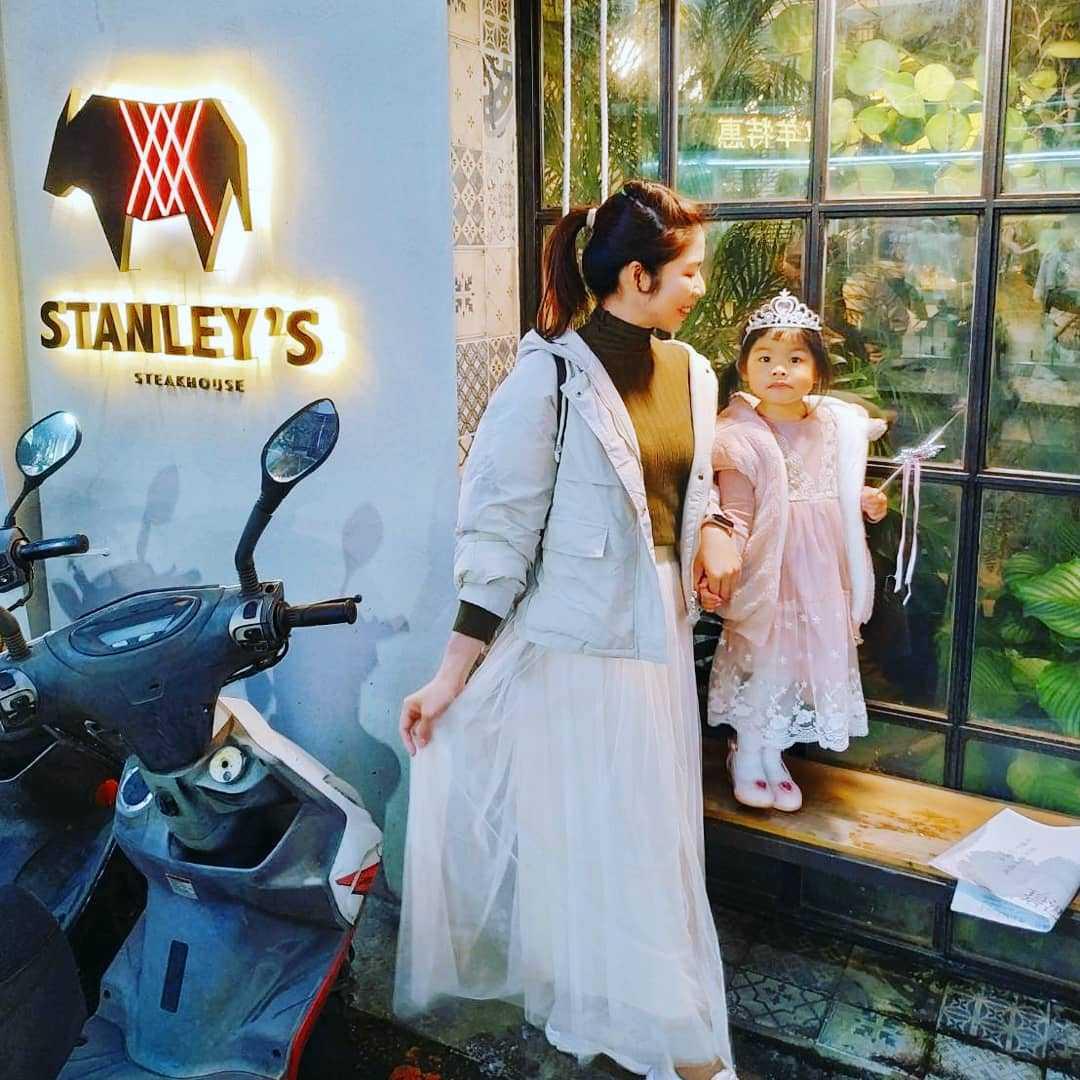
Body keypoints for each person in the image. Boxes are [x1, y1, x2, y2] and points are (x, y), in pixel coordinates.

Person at [395, 180, 740, 1080]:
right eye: (690, 271)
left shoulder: (695, 373)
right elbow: (498, 534)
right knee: (604, 839)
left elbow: (696, 488)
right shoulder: (547, 380)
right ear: (638, 275)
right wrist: (451, 673)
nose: (701, 287)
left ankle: (621, 1007)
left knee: (653, 835)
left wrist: (717, 530)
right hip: (580, 653)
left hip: (660, 636)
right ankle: (663, 1028)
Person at [705, 291, 889, 812]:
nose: (779, 370)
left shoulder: (833, 426)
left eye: (795, 359)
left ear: (818, 370)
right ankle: (747, 751)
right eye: (765, 358)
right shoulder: (739, 434)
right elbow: (736, 510)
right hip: (771, 567)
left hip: (822, 570)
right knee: (764, 658)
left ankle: (774, 752)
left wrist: (864, 500)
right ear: (744, 368)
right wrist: (724, 564)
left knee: (798, 663)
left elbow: (835, 488)